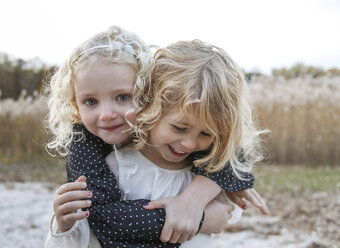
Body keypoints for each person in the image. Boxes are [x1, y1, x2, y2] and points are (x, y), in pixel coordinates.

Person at [44, 26, 268, 248]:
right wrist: (203, 219)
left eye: (123, 97)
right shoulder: (111, 167)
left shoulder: (204, 167)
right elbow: (97, 226)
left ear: (145, 97)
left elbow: (228, 213)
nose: (107, 114)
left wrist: (222, 181)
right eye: (91, 101)